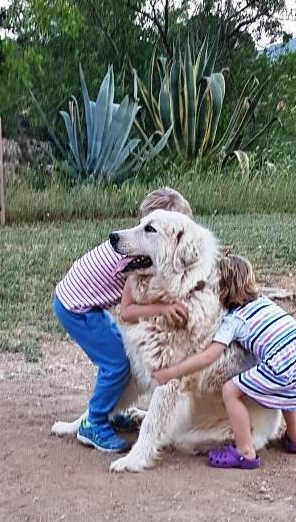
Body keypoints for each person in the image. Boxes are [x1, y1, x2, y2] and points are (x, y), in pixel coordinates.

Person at [153, 254, 296, 469]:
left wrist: (172, 372)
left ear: (220, 288)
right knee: (286, 390)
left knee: (231, 390)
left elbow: (208, 357)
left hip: (284, 361)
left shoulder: (235, 320)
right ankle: (294, 439)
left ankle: (244, 451)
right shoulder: (264, 302)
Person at [53, 187, 192, 452]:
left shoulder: (136, 247)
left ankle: (110, 411)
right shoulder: (134, 260)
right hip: (75, 307)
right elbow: (127, 311)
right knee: (115, 364)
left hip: (84, 303)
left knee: (123, 360)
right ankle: (92, 424)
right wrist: (162, 309)